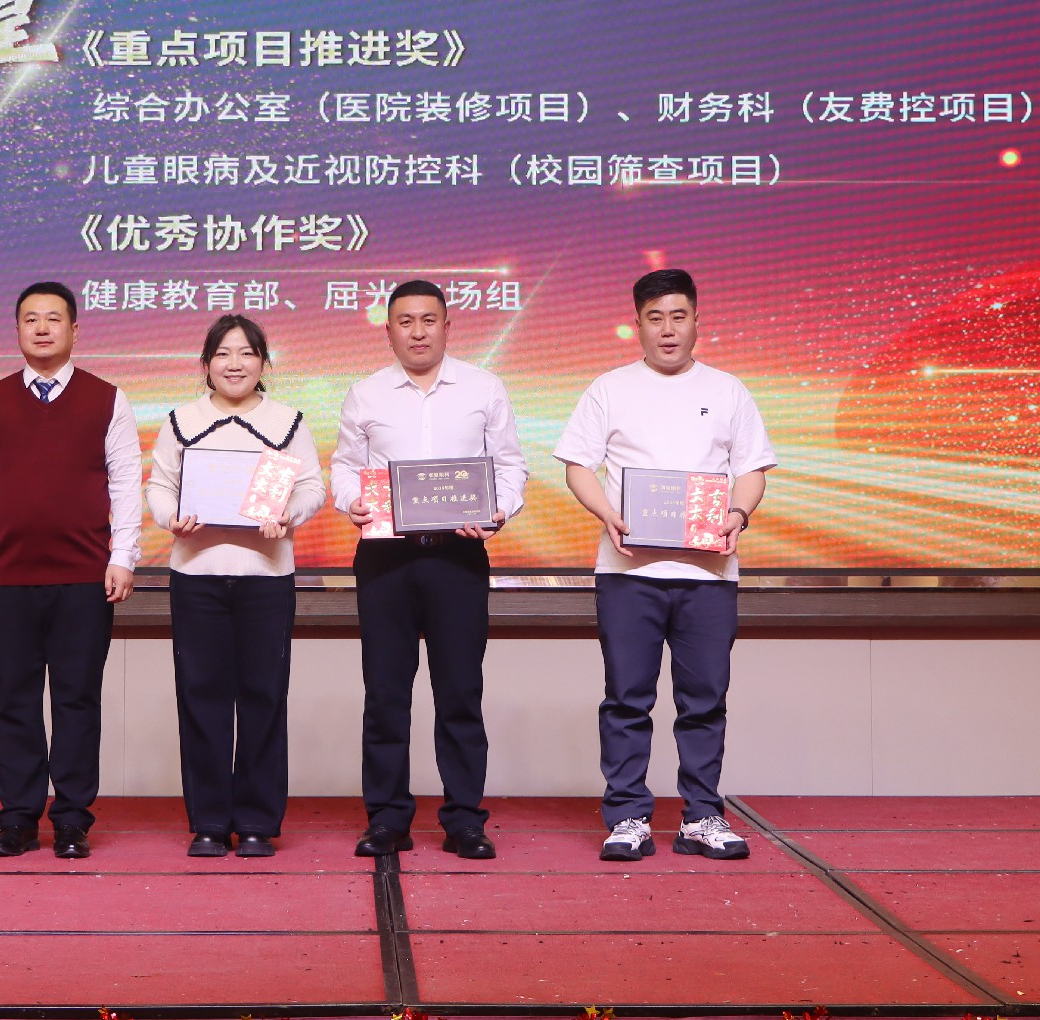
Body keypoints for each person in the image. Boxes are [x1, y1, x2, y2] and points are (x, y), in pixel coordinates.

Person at [554, 268, 777, 861]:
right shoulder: (609, 389)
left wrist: (738, 513)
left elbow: (752, 469)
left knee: (704, 700)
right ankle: (627, 815)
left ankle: (702, 816)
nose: (668, 329)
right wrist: (608, 513)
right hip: (629, 573)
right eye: (655, 318)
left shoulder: (728, 390)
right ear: (638, 325)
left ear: (697, 321)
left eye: (679, 316)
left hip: (708, 574)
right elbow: (577, 464)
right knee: (626, 698)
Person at [329, 279, 527, 860]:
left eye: (428, 320)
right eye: (405, 321)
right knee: (385, 694)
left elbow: (510, 466)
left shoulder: (484, 388)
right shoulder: (366, 393)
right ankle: (387, 819)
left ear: (447, 325)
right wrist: (352, 500)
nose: (418, 332)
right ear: (388, 329)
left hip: (457, 556)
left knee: (460, 692)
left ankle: (465, 820)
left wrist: (498, 509)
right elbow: (344, 467)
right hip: (385, 558)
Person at [0, 280, 142, 860]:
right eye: (30, 318)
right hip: (8, 577)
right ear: (17, 330)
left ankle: (72, 820)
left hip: (85, 577)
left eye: (53, 318)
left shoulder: (108, 399)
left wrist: (123, 556)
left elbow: (125, 482)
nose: (41, 328)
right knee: (14, 701)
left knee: (77, 701)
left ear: (74, 330)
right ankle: (17, 819)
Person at [146, 314, 326, 858]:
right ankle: (208, 822)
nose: (235, 363)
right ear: (206, 365)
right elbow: (159, 485)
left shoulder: (287, 421)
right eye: (223, 354)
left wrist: (288, 515)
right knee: (200, 697)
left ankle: (255, 823)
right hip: (196, 576)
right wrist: (171, 517)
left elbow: (312, 487)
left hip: (266, 577)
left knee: (263, 698)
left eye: (247, 353)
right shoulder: (182, 420)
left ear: (263, 363)